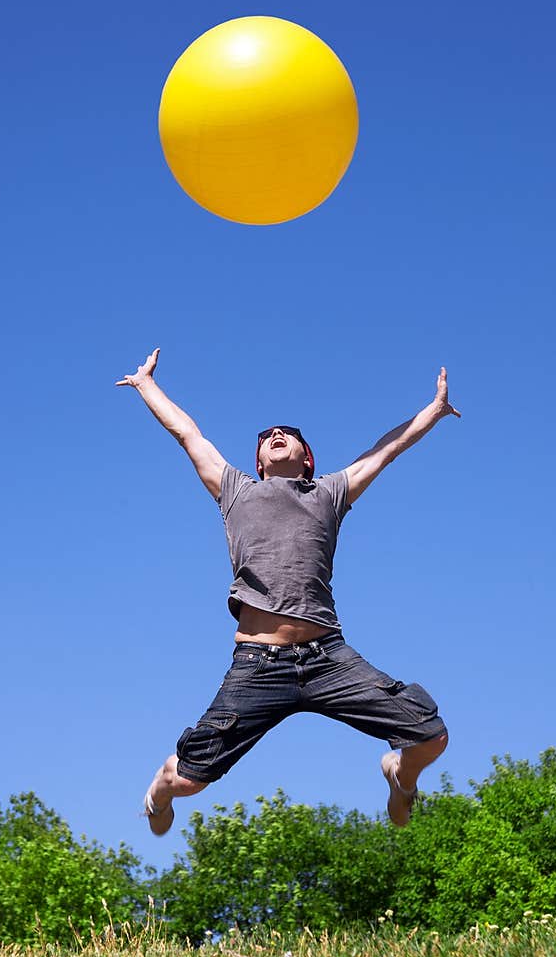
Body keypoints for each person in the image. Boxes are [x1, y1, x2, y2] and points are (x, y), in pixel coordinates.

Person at [116, 346, 461, 836]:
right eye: (266, 438)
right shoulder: (234, 490)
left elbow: (385, 450)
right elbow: (187, 433)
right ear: (258, 462)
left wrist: (433, 410)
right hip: (260, 665)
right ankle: (161, 788)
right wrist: (147, 385)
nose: (276, 436)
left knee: (431, 736)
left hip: (328, 659)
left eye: (288, 435)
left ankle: (399, 775)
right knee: (191, 780)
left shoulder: (330, 492)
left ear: (307, 459)